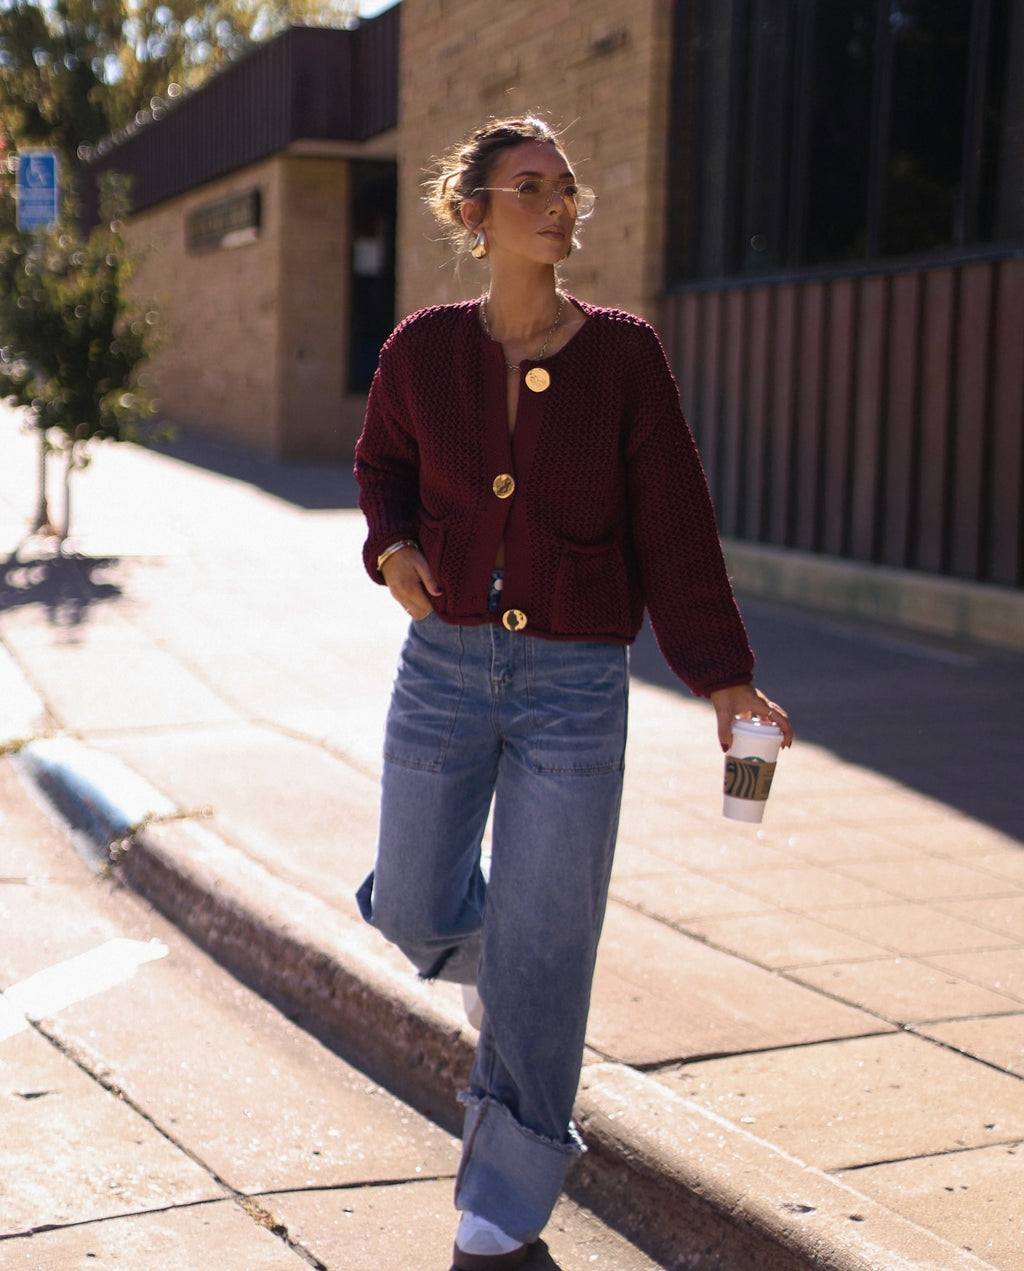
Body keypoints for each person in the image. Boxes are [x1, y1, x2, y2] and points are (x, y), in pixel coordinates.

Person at [354, 115, 793, 1271]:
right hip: (444, 664)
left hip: (574, 684)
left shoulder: (625, 356)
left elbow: (676, 527)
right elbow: (381, 463)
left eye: (565, 188)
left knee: (549, 944)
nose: (556, 207)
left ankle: (503, 1192)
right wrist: (392, 546)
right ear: (474, 213)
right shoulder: (421, 348)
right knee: (408, 899)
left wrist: (727, 681)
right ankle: (504, 983)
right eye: (529, 187)